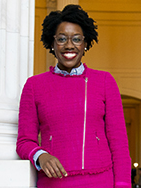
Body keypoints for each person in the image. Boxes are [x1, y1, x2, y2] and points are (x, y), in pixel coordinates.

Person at [15, 4, 131, 188]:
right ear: (52, 44)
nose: (69, 45)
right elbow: (24, 141)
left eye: (76, 39)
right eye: (61, 39)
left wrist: (123, 185)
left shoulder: (104, 81)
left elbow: (119, 144)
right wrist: (40, 155)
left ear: (85, 44)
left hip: (101, 181)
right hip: (53, 183)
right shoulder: (34, 86)